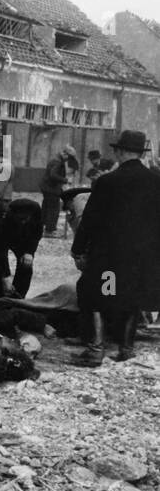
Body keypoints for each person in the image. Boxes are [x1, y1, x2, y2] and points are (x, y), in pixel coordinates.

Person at [70, 130, 160, 365]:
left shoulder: (107, 181)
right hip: (141, 255)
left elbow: (90, 219)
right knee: (132, 297)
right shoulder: (155, 182)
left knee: (100, 293)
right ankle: (127, 349)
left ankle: (96, 348)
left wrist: (78, 248)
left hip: (109, 256)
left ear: (119, 151)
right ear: (141, 153)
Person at [0, 193, 42, 299]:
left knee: (26, 264)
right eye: (21, 219)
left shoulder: (36, 213)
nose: (24, 221)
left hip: (22, 238)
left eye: (26, 219)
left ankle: (18, 296)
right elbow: (0, 253)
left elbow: (36, 234)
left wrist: (29, 252)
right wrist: (5, 276)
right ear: (13, 215)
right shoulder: (0, 223)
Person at [39, 146, 76, 237]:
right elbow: (53, 175)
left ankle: (42, 228)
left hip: (46, 187)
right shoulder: (58, 162)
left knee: (46, 208)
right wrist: (65, 180)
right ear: (65, 154)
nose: (68, 160)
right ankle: (49, 231)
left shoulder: (56, 159)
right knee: (53, 209)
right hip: (51, 188)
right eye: (69, 157)